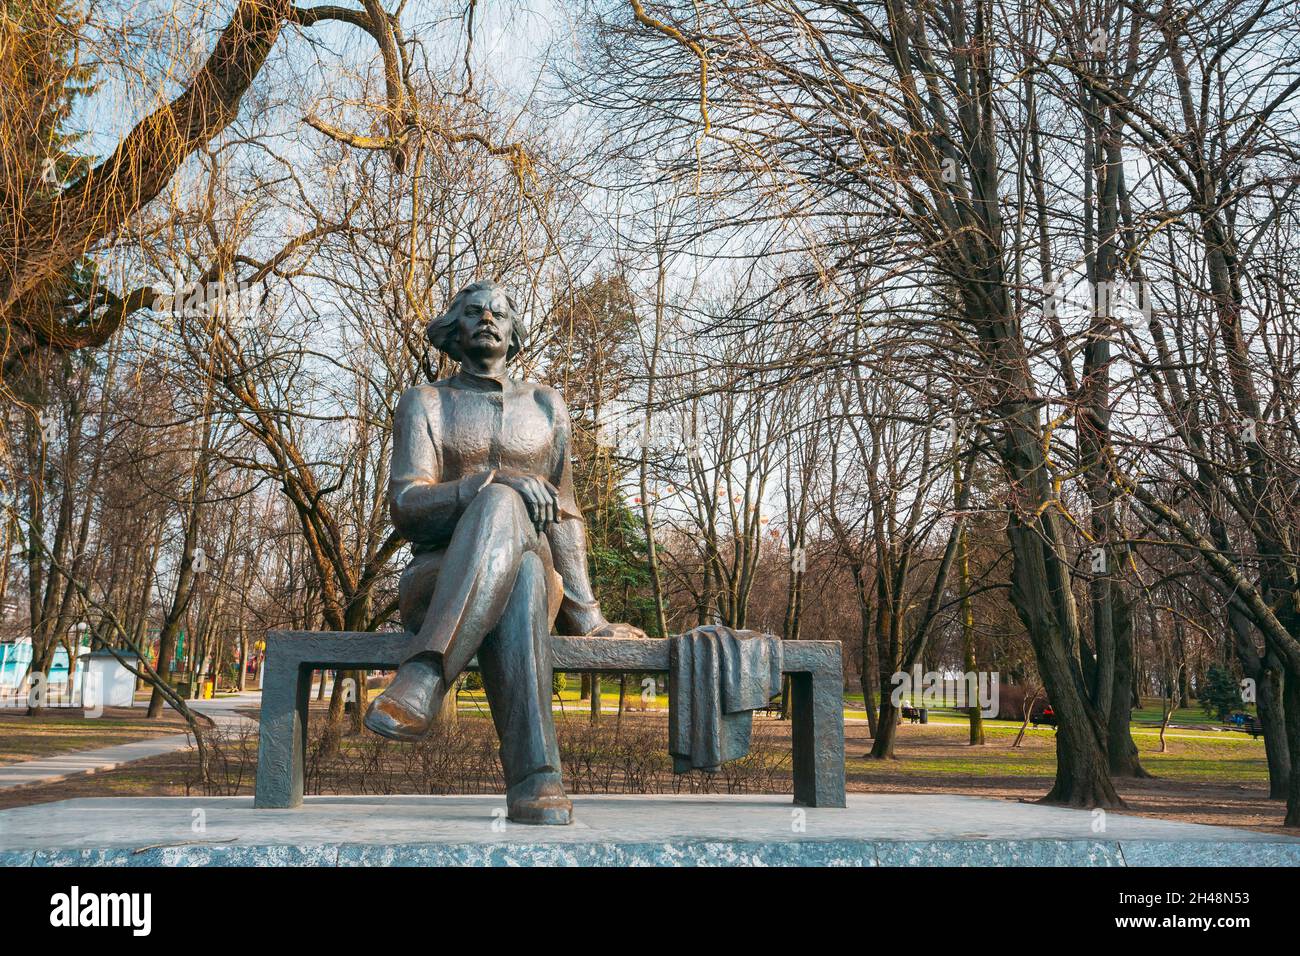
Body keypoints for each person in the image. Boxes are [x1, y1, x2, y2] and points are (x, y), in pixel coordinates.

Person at [364, 280, 645, 824]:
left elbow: (564, 512)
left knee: (520, 555)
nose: (487, 318)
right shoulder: (425, 403)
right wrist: (485, 484)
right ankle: (537, 781)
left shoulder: (546, 405)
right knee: (506, 527)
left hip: (535, 577)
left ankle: (426, 677)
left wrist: (587, 619)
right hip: (436, 582)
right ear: (455, 328)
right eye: (473, 311)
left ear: (514, 332)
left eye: (499, 312)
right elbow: (405, 506)